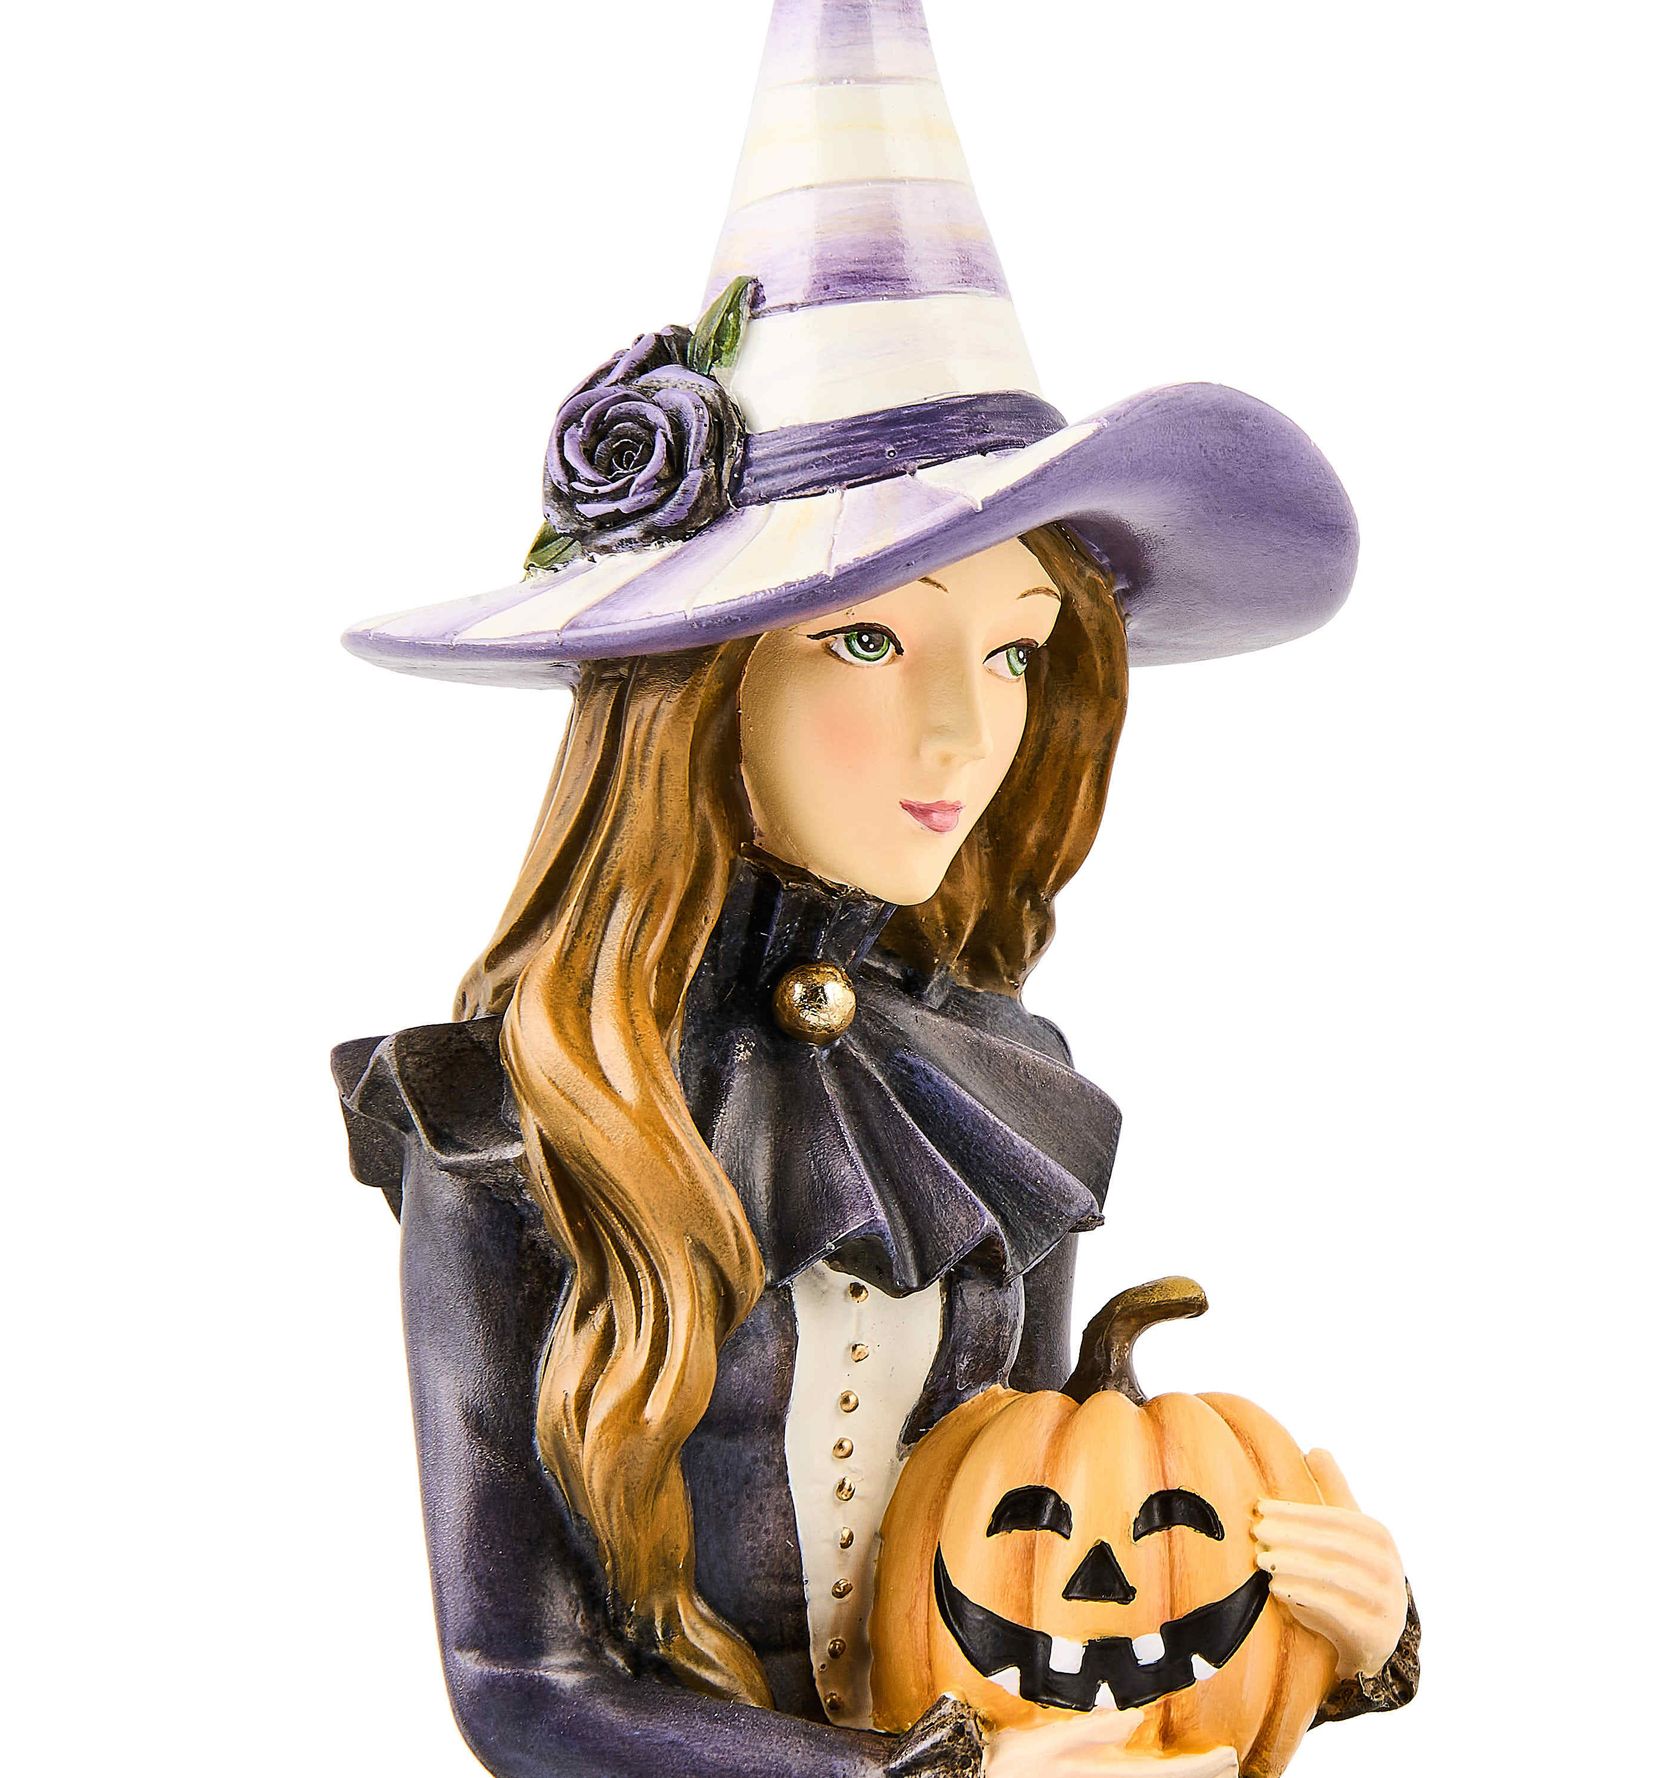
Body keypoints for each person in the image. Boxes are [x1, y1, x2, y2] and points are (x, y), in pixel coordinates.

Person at [333, 5, 1417, 1773]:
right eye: (866, 637)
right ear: (697, 684)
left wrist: (1332, 1633)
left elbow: (1044, 1513)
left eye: (1014, 649)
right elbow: (518, 1685)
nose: (961, 730)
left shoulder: (995, 1081)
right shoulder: (513, 1115)